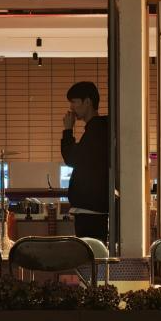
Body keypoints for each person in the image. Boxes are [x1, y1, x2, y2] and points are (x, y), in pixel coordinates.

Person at [61, 81, 109, 243]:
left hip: (90, 209)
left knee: (90, 253)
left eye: (74, 102)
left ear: (87, 102)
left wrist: (68, 130)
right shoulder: (98, 129)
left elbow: (72, 158)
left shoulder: (96, 130)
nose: (71, 107)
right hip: (93, 208)